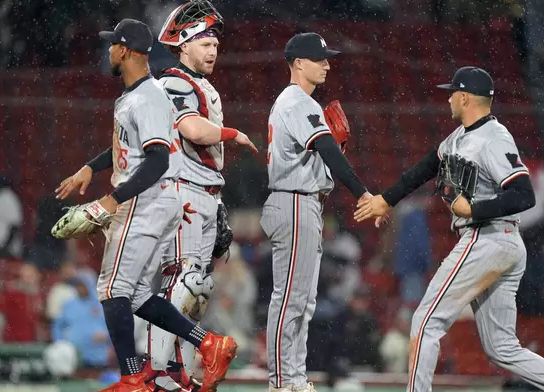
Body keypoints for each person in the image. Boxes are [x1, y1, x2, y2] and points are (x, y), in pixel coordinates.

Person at [354, 66, 544, 392]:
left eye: (453, 92)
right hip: (497, 243)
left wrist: (475, 209)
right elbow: (425, 167)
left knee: (425, 321)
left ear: (465, 97)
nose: (449, 98)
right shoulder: (457, 138)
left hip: (488, 236)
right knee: (502, 349)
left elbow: (524, 194)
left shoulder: (495, 138)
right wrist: (386, 199)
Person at [54, 18, 236, 392]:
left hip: (146, 199)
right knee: (135, 294)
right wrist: (91, 167)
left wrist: (110, 200)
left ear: (124, 50)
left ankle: (132, 377)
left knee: (110, 290)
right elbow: (136, 146)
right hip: (155, 200)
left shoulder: (149, 95)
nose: (107, 51)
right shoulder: (141, 94)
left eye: (111, 45)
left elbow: (157, 160)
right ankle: (208, 343)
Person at [144, 2, 257, 391]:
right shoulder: (174, 80)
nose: (212, 49)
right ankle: (157, 372)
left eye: (214, 43)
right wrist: (232, 134)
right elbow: (191, 128)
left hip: (205, 193)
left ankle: (177, 367)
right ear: (183, 44)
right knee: (183, 282)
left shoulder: (200, 84)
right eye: (203, 42)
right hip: (182, 193)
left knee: (198, 288)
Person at [261, 32, 372, 392]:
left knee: (303, 301)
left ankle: (294, 378)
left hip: (302, 201)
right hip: (293, 200)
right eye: (319, 58)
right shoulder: (298, 102)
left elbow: (323, 151)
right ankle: (281, 381)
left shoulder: (301, 102)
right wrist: (362, 192)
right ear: (298, 63)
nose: (327, 64)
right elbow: (326, 149)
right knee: (290, 299)